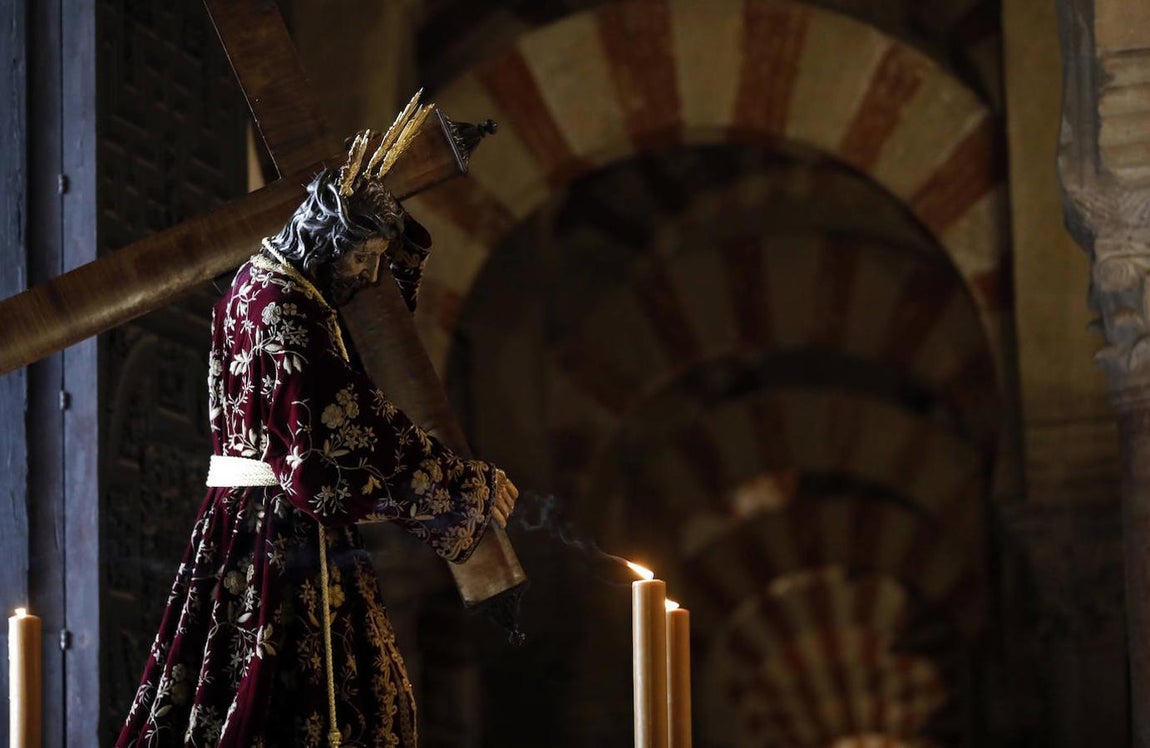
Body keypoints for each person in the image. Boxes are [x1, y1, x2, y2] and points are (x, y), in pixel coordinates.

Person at [116, 127, 519, 747]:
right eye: (362, 256)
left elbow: (337, 377)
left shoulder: (251, 283)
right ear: (330, 238)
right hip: (284, 535)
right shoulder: (288, 306)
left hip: (234, 523)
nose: (368, 273)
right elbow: (338, 435)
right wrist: (465, 488)